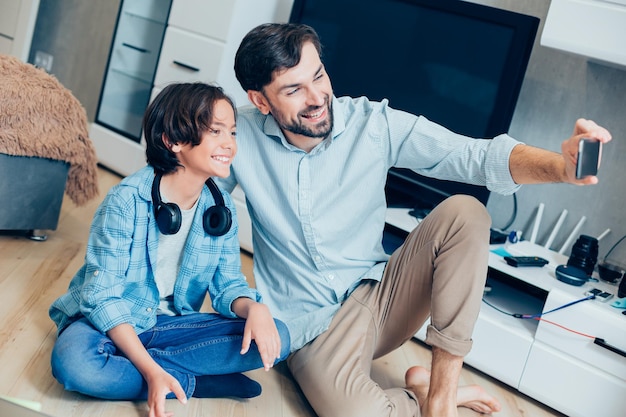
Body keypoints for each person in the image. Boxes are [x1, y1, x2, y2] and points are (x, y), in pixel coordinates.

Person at [214, 22, 613, 417]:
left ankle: (441, 397)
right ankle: (418, 394)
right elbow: (195, 218)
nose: (317, 97)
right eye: (294, 89)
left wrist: (562, 166)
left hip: (381, 298)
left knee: (466, 212)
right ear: (261, 100)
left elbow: (475, 156)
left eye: (319, 76)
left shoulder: (372, 123)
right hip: (308, 327)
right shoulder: (237, 137)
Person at [49, 82, 290, 417]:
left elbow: (227, 287)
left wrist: (254, 308)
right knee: (75, 365)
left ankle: (144, 371)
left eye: (232, 132)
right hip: (112, 321)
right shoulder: (126, 201)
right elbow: (101, 296)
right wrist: (149, 370)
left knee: (278, 335)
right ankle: (194, 382)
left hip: (171, 326)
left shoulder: (222, 209)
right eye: (216, 131)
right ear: (172, 141)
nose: (229, 144)